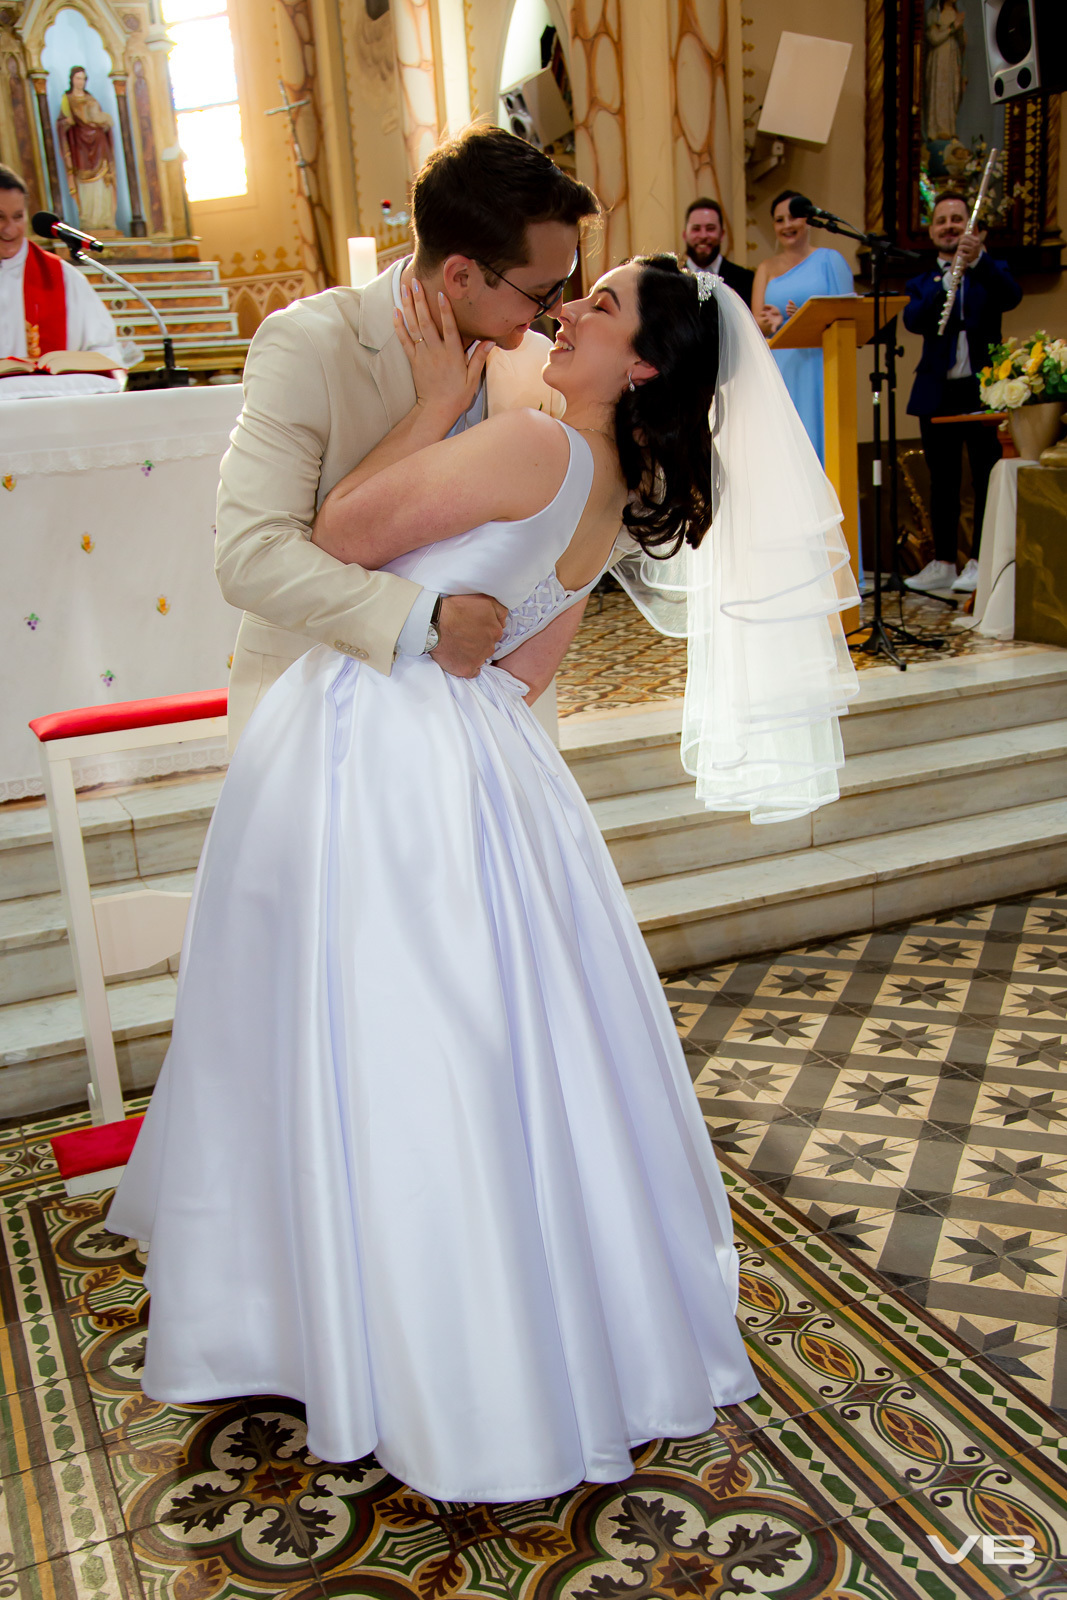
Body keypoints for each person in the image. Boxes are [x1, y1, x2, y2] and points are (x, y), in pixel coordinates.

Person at [215, 124, 599, 745]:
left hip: (490, 724)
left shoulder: (537, 366)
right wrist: (426, 622)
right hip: (322, 720)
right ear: (460, 276)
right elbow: (250, 556)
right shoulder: (312, 345)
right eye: (543, 290)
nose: (555, 310)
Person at [903, 191, 1022, 593]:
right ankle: (943, 562)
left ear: (975, 229)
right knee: (943, 481)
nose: (950, 226)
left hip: (984, 392)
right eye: (942, 221)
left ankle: (979, 561)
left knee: (986, 476)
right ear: (932, 232)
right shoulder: (922, 281)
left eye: (958, 219)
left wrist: (978, 262)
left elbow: (1011, 296)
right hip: (938, 392)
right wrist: (947, 279)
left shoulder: (992, 270)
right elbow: (915, 319)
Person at [0, 164, 124, 400]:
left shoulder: (62, 277)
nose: (10, 230)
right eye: (0, 217)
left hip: (55, 411)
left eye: (18, 216)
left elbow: (106, 355)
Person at [752, 190, 854, 464]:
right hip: (783, 368)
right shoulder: (766, 268)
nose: (787, 225)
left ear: (809, 220)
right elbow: (756, 323)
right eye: (779, 220)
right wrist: (771, 324)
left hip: (822, 365)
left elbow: (848, 317)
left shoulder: (830, 261)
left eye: (794, 217)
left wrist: (807, 318)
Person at [57, 66, 118, 235]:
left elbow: (102, 119)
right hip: (80, 148)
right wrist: (67, 123)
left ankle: (105, 221)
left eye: (83, 78)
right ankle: (88, 221)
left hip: (99, 145)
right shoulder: (67, 99)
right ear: (72, 80)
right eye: (77, 78)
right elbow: (62, 123)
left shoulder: (91, 98)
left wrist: (104, 124)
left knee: (104, 183)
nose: (80, 82)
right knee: (84, 184)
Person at [680, 196, 754, 307]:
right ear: (685, 235)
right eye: (696, 229)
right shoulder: (670, 282)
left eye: (710, 229)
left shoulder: (746, 280)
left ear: (722, 235)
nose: (703, 236)